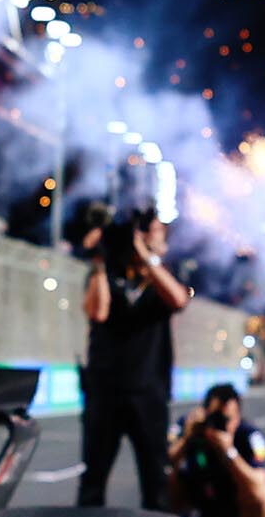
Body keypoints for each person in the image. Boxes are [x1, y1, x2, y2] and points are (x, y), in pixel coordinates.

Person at [76, 212, 192, 509]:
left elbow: (178, 300)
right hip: (104, 391)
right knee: (93, 481)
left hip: (148, 393)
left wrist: (145, 255)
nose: (144, 236)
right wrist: (99, 263)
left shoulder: (163, 277)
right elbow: (97, 312)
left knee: (156, 481)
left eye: (151, 232)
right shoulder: (107, 274)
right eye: (141, 232)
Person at [168, 383, 265, 517]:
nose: (221, 424)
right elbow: (164, 461)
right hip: (198, 492)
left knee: (262, 490)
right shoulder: (191, 427)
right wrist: (187, 438)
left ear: (238, 417)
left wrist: (229, 453)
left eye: (226, 419)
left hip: (235, 500)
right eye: (215, 418)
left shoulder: (248, 435)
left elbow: (259, 479)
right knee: (169, 475)